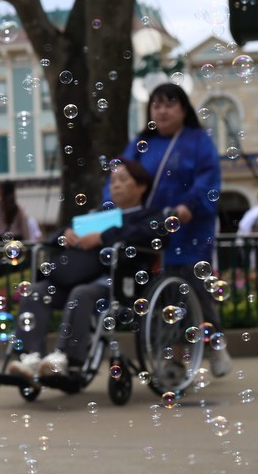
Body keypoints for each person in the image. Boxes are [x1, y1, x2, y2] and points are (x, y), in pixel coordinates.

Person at [115, 82, 231, 377]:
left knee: (193, 288)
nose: (162, 111)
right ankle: (176, 358)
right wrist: (112, 208)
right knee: (165, 297)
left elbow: (208, 179)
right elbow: (119, 180)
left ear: (183, 109)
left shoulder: (197, 141)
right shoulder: (141, 143)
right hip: (149, 230)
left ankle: (213, 344)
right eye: (156, 105)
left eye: (169, 104)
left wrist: (190, 205)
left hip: (188, 229)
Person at [11, 158, 161, 378]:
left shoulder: (148, 218)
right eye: (113, 181)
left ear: (141, 186)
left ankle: (65, 358)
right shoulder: (97, 216)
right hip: (77, 278)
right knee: (37, 293)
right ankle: (30, 357)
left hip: (114, 285)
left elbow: (147, 236)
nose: (116, 185)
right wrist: (65, 235)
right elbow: (57, 237)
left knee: (81, 294)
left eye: (123, 179)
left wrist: (102, 238)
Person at [0, 179, 41, 244]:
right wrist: (27, 242)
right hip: (15, 240)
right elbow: (24, 229)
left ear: (1, 192)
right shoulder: (17, 209)